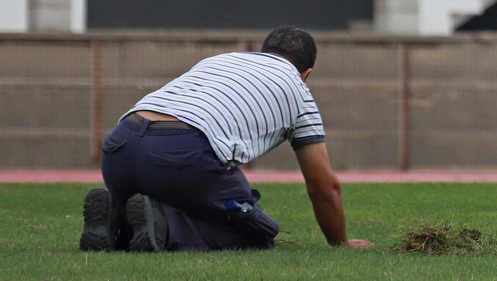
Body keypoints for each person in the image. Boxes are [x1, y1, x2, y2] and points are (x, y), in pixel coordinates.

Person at [79, 25, 371, 252]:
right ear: (306, 73)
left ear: (264, 51)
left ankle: (116, 221)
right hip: (181, 151)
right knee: (257, 231)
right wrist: (340, 242)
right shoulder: (298, 90)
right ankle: (165, 228)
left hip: (120, 146)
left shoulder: (221, 60)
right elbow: (323, 187)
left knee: (175, 199)